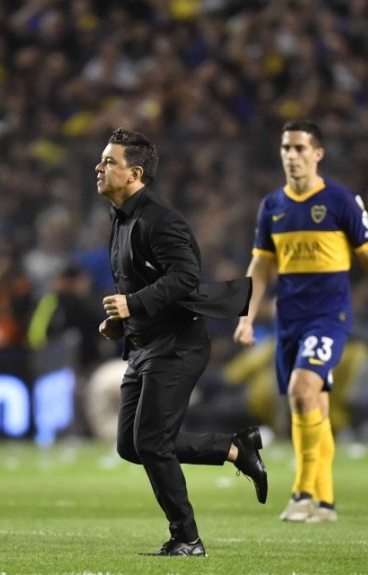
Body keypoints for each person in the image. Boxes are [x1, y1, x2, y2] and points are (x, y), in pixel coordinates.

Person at [95, 128, 267, 557]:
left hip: (177, 344)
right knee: (131, 445)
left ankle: (187, 538)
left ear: (135, 173)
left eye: (109, 161)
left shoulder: (160, 219)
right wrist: (121, 322)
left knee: (152, 442)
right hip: (144, 345)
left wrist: (133, 304)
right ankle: (236, 448)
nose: (99, 167)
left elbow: (186, 277)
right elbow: (142, 284)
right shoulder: (121, 219)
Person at [234, 120, 368, 523]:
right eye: (286, 148)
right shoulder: (272, 206)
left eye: (299, 148)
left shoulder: (342, 201)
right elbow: (261, 267)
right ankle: (325, 502)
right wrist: (247, 317)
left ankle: (302, 493)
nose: (291, 156)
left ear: (318, 154)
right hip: (289, 320)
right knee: (313, 406)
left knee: (301, 390)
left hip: (329, 316)